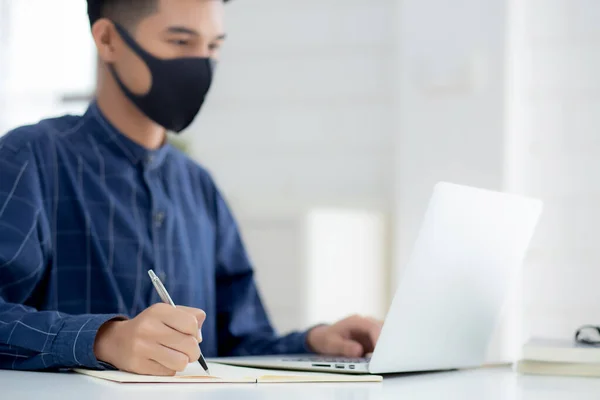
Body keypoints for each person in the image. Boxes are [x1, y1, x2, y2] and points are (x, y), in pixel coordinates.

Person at [0, 0, 382, 376]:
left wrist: (315, 343)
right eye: (181, 42)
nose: (201, 63)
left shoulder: (199, 186)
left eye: (213, 46)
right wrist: (104, 340)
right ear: (108, 40)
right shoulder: (30, 158)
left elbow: (241, 342)